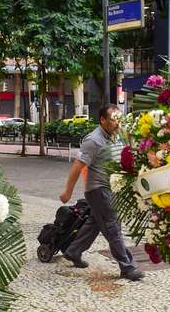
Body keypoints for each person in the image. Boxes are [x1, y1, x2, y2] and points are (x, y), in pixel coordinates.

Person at [59, 104, 144, 281]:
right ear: (102, 120)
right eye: (114, 119)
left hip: (112, 188)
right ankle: (127, 267)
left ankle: (74, 251)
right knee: (112, 226)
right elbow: (77, 165)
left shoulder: (118, 134)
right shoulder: (93, 140)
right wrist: (67, 191)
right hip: (98, 190)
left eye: (119, 119)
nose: (117, 123)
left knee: (96, 224)